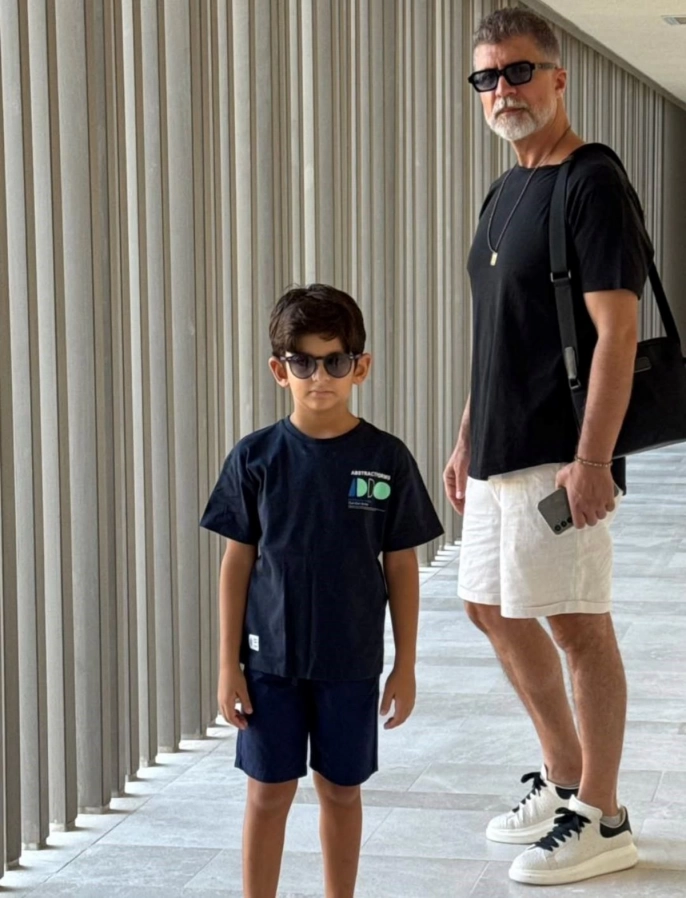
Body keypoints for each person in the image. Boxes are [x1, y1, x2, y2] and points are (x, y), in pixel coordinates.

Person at [443, 7, 653, 888]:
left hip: (557, 452)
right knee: (489, 608)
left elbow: (617, 332)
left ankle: (602, 815)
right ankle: (563, 775)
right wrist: (466, 435)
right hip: (499, 448)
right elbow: (499, 330)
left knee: (576, 626)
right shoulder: (504, 193)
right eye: (487, 77)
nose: (503, 90)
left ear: (559, 78)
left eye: (519, 71)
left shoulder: (590, 181)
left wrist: (594, 459)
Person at [201, 284, 443, 898]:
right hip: (269, 664)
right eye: (303, 363)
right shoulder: (255, 458)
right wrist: (227, 664)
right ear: (279, 370)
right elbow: (236, 563)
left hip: (350, 662)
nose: (320, 377)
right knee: (268, 792)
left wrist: (406, 664)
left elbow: (401, 566)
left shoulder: (386, 459)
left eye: (335, 361)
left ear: (361, 367)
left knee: (340, 790)